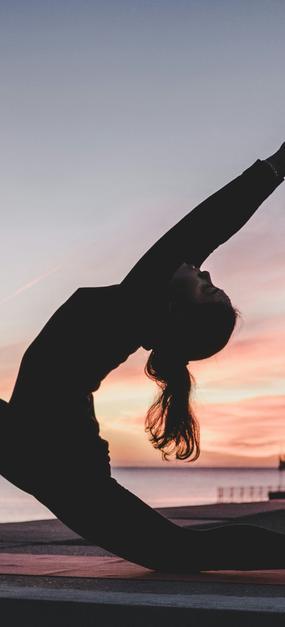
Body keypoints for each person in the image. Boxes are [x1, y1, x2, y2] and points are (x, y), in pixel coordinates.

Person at [1, 142, 285, 572]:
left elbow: (206, 227)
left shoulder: (138, 302)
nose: (204, 271)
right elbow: (200, 238)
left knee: (180, 552)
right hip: (41, 446)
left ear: (175, 310)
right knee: (178, 551)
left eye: (206, 287)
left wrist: (277, 167)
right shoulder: (139, 311)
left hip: (59, 458)